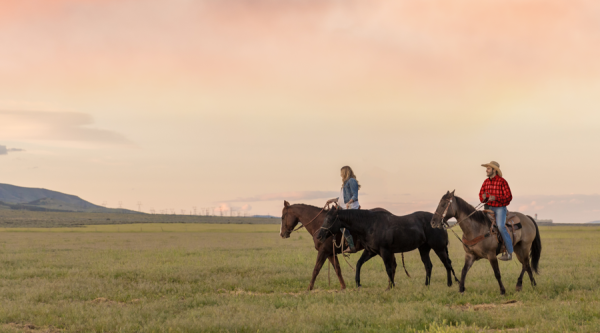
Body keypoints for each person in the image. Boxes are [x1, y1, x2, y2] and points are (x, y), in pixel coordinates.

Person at [479, 161, 513, 261]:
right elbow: (481, 196)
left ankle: (509, 252)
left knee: (501, 226)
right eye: (487, 168)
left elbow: (509, 197)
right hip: (488, 207)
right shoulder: (485, 182)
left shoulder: (502, 181)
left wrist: (496, 198)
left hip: (499, 208)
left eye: (488, 168)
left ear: (494, 170)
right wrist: (483, 197)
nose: (486, 170)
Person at [326, 166, 361, 253]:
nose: (341, 174)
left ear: (346, 172)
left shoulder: (351, 181)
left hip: (351, 208)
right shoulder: (345, 184)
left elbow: (355, 196)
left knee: (341, 225)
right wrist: (332, 200)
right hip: (345, 208)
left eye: (342, 172)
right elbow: (342, 198)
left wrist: (349, 203)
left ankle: (351, 246)